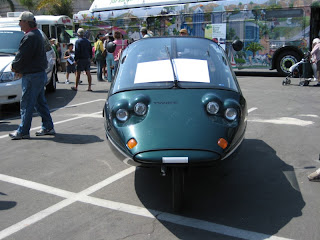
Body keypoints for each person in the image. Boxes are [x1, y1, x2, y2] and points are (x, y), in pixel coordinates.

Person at [9, 11, 55, 140]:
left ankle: (23, 131)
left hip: (32, 75)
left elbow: (22, 56)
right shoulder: (37, 35)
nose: (19, 24)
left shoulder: (29, 37)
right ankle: (48, 126)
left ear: (26, 22)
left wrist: (15, 67)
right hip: (38, 74)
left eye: (20, 21)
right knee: (40, 102)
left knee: (27, 103)